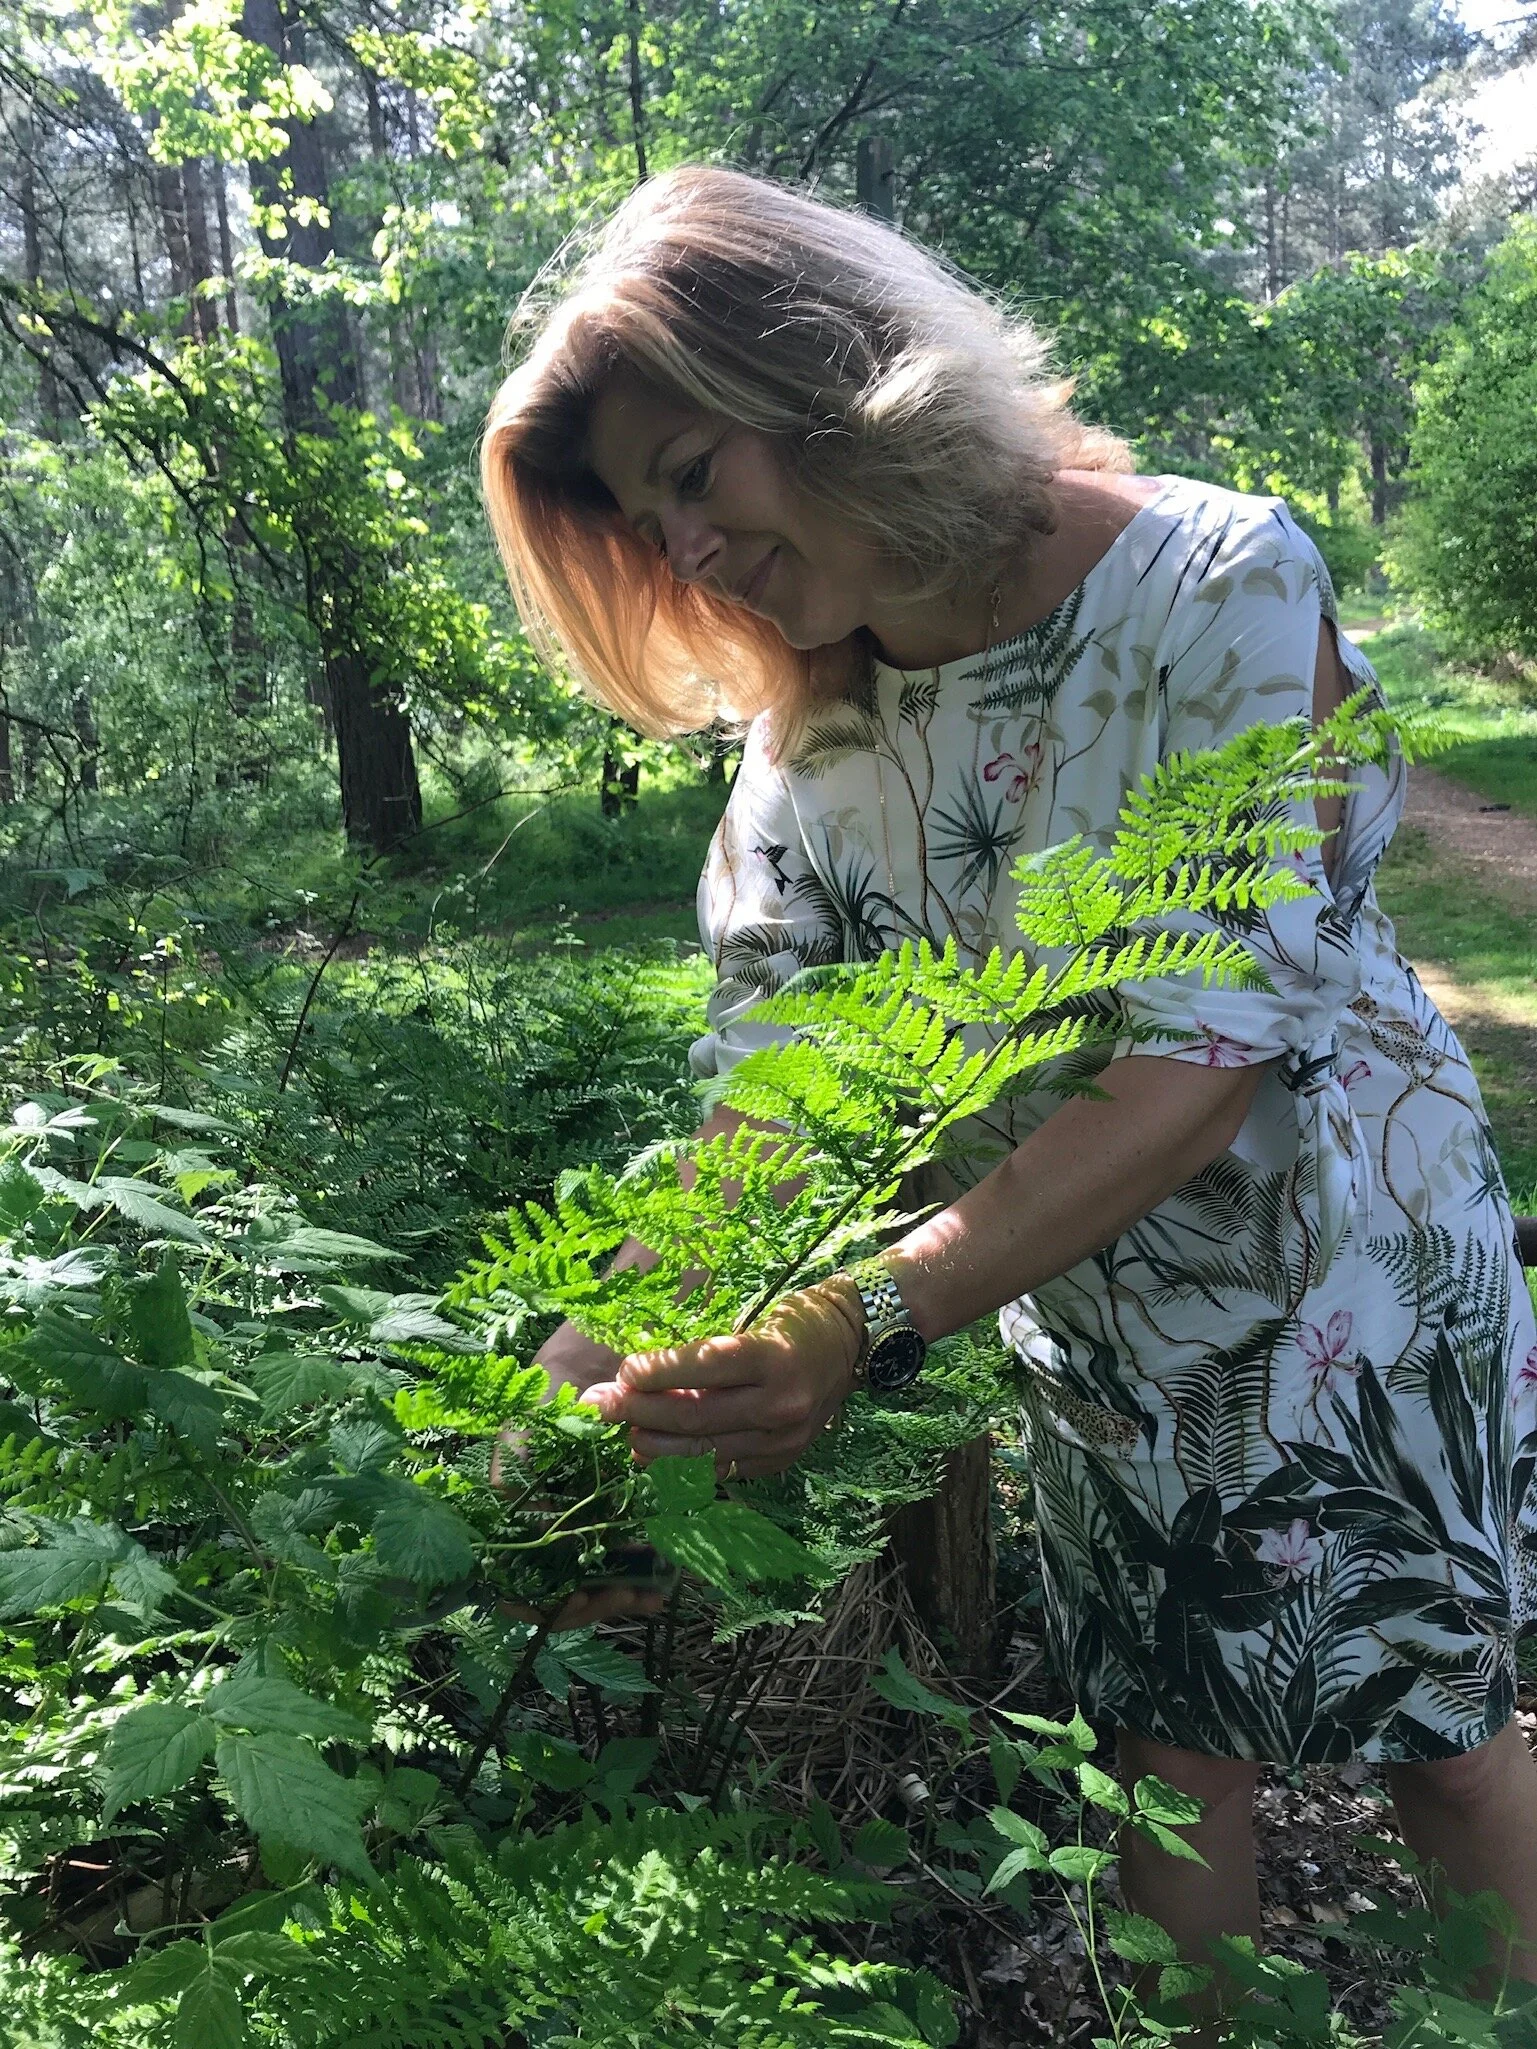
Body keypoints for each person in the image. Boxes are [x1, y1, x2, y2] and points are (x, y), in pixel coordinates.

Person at [479, 163, 1537, 1987]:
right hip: (1086, 1314)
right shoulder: (807, 736)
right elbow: (775, 1105)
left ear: (829, 376)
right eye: (650, 523)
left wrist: (859, 1321)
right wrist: (561, 1394)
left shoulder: (1216, 578)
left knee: (1435, 1740)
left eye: (693, 474)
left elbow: (1199, 1056)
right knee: (1155, 1759)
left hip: (1345, 1275)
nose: (687, 554)